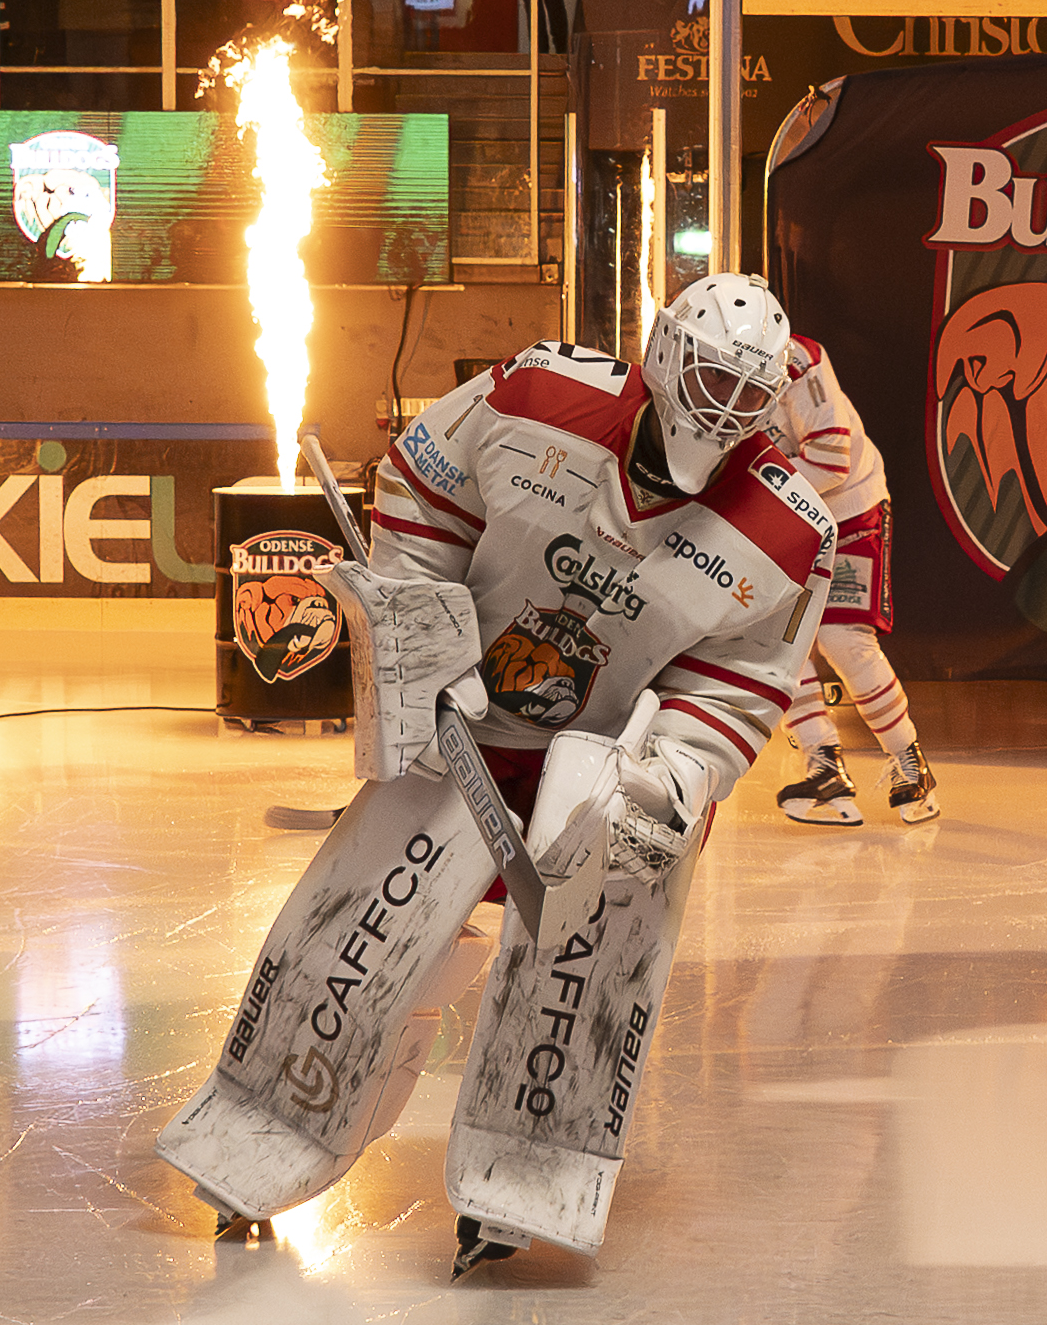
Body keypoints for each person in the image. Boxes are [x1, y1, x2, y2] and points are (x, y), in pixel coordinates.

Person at [155, 275, 835, 1269]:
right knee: (361, 929)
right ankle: (259, 1128)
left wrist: (666, 781)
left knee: (583, 970)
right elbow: (422, 485)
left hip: (614, 761)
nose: (722, 413)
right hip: (467, 715)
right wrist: (423, 643)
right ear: (658, 355)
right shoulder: (536, 392)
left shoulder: (790, 525)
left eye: (748, 397)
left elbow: (737, 683)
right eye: (707, 383)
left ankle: (528, 1172)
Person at [767, 333, 939, 828]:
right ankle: (824, 766)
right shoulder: (713, 367)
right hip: (789, 515)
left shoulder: (800, 362)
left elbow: (830, 463)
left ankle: (911, 762)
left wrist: (747, 478)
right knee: (781, 641)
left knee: (843, 640)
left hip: (849, 510)